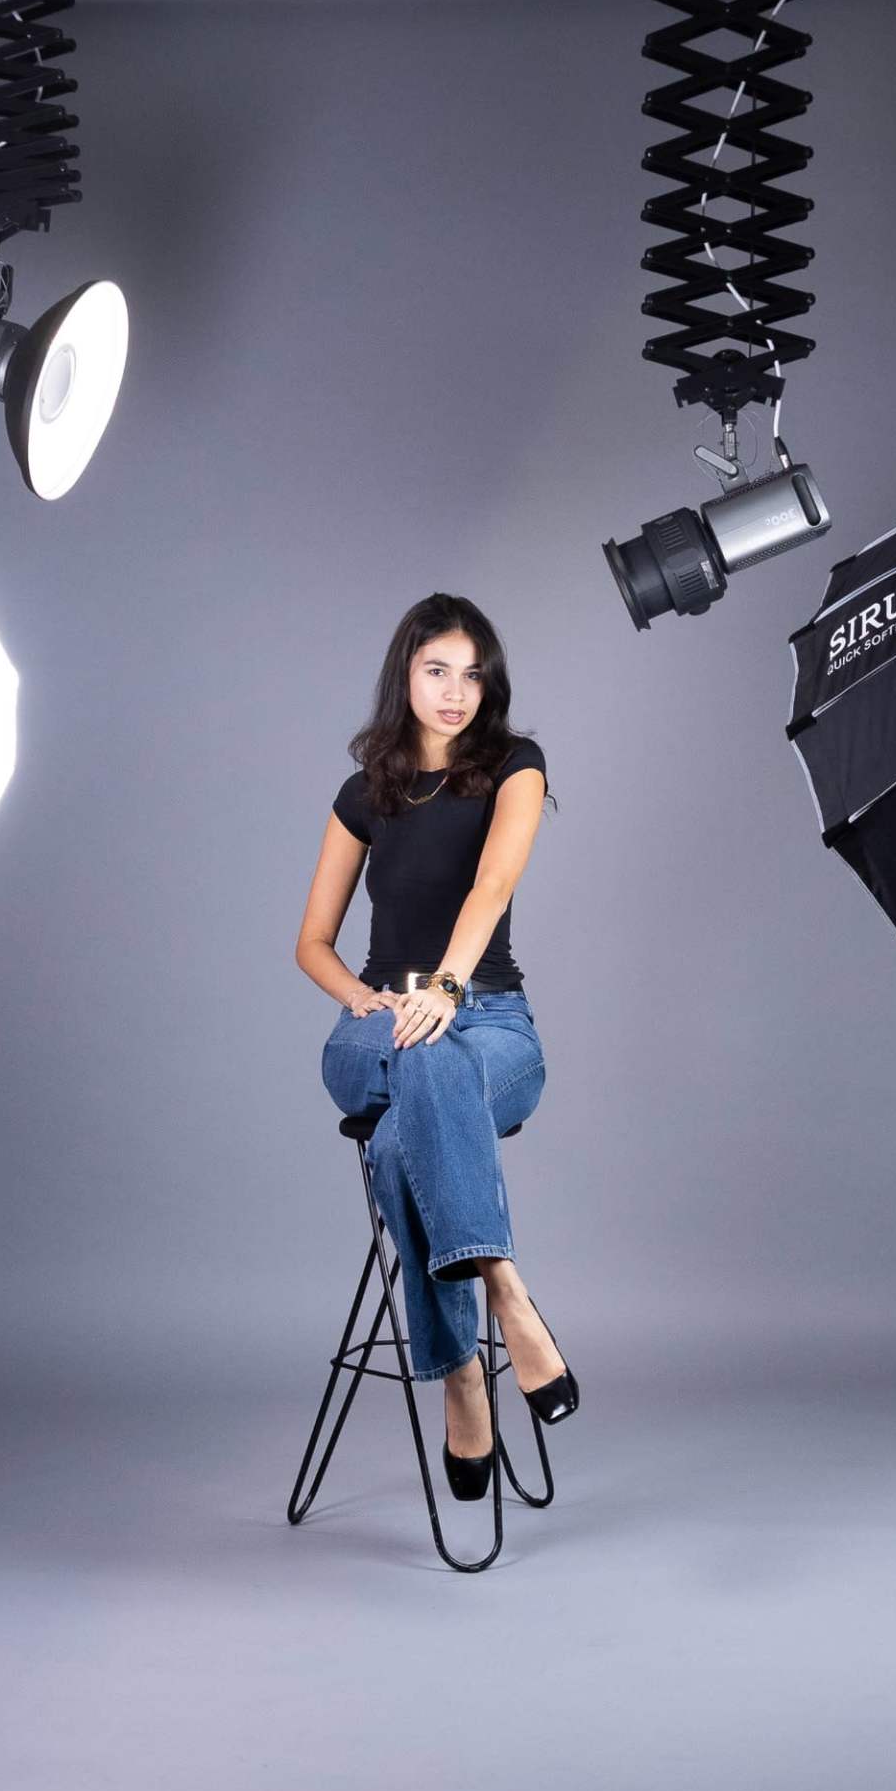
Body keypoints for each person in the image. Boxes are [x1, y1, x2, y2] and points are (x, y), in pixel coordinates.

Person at [296, 593, 576, 1502]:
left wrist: (445, 991)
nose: (456, 691)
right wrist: (370, 1000)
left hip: (491, 1022)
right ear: (404, 676)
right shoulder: (364, 791)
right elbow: (311, 942)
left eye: (471, 673)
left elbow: (494, 882)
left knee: (400, 1131)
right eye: (435, 671)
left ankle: (460, 1375)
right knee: (411, 1055)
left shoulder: (514, 767)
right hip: (372, 1031)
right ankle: (505, 1288)